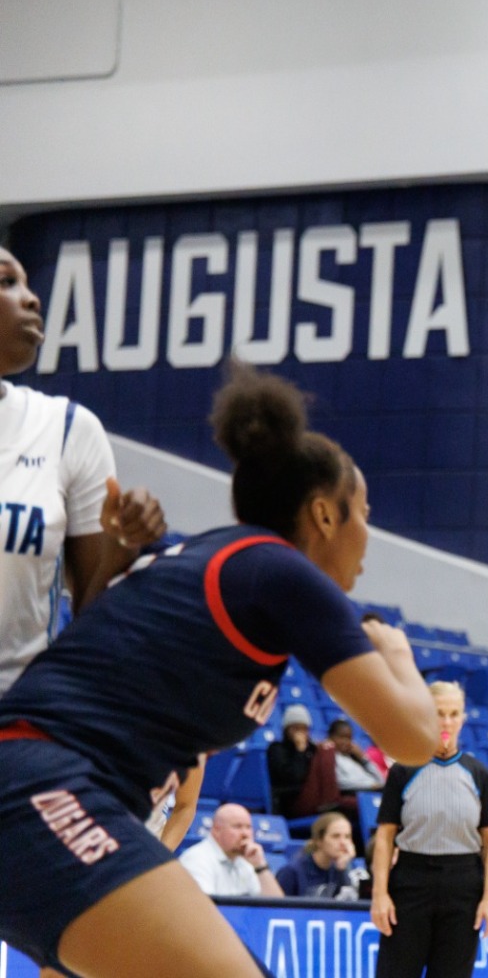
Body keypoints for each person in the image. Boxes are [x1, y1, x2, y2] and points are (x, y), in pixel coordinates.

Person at [0, 362, 439, 976]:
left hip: (60, 793)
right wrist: (397, 654)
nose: (368, 537)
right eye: (363, 512)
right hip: (39, 787)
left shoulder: (202, 559)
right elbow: (415, 739)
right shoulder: (279, 572)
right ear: (323, 516)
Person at [0, 246, 168, 699]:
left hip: (18, 726)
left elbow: (93, 621)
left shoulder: (67, 428)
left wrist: (123, 544)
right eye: (6, 282)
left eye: (27, 283)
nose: (33, 299)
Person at [369, 681, 488, 978]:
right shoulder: (403, 769)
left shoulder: (479, 774)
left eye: (454, 714)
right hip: (411, 880)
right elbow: (385, 837)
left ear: (463, 718)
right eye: (440, 713)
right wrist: (380, 894)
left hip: (463, 884)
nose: (447, 721)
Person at [178, 803, 286, 899]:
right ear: (216, 830)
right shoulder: (196, 859)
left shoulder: (248, 861)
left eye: (248, 827)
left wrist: (260, 866)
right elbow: (204, 909)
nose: (245, 834)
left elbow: (276, 909)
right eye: (237, 827)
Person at [277, 810, 367, 900]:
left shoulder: (341, 868)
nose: (343, 842)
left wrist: (342, 869)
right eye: (336, 836)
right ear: (319, 841)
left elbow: (349, 906)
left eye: (347, 837)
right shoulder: (291, 872)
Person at [267, 704, 317, 813]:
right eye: (296, 728)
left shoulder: (312, 749)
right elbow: (294, 777)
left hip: (311, 794)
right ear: (286, 730)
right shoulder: (277, 749)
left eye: (304, 729)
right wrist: (299, 751)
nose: (300, 733)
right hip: (289, 799)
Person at [329, 717, 387, 794]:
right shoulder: (331, 757)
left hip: (375, 791)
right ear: (331, 737)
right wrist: (370, 786)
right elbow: (339, 782)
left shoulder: (355, 758)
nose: (346, 742)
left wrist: (363, 758)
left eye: (349, 738)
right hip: (362, 793)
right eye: (342, 737)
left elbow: (381, 780)